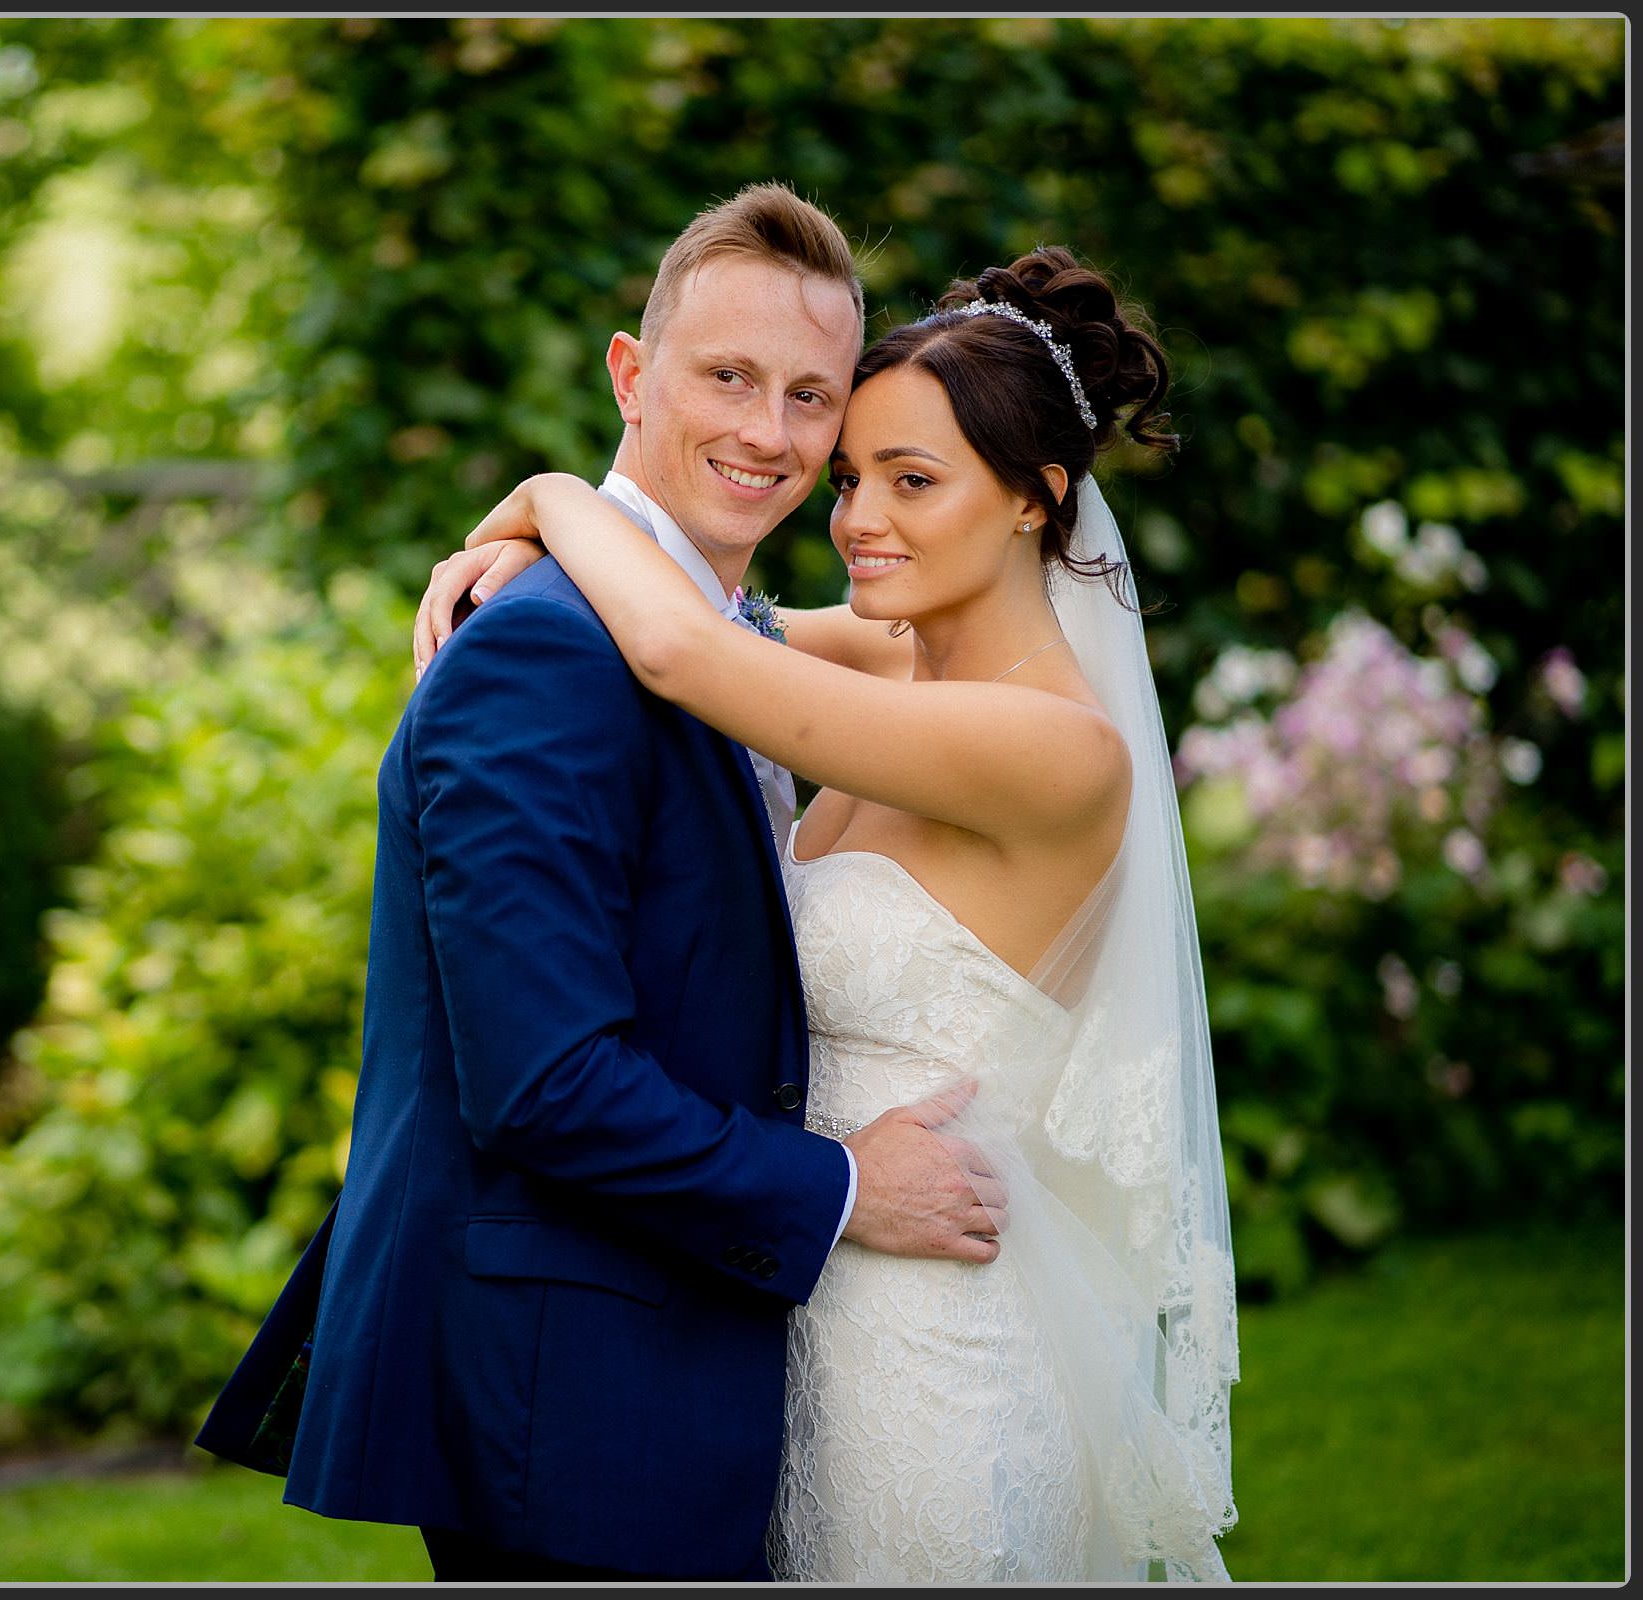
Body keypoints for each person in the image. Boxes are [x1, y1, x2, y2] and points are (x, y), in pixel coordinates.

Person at [194, 183, 1015, 1583]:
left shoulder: (710, 628)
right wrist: (835, 1188)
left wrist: (549, 503)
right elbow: (544, 1079)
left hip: (653, 1354)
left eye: (811, 398)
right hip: (567, 1393)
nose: (768, 433)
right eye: (730, 377)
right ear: (634, 376)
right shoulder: (544, 651)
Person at [423, 245, 1240, 1581]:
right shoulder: (889, 650)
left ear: (1037, 502)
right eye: (854, 476)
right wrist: (529, 562)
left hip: (936, 1343)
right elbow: (695, 613)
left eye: (914, 483)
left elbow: (685, 649)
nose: (859, 518)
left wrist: (551, 496)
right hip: (795, 1293)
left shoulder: (1057, 750)